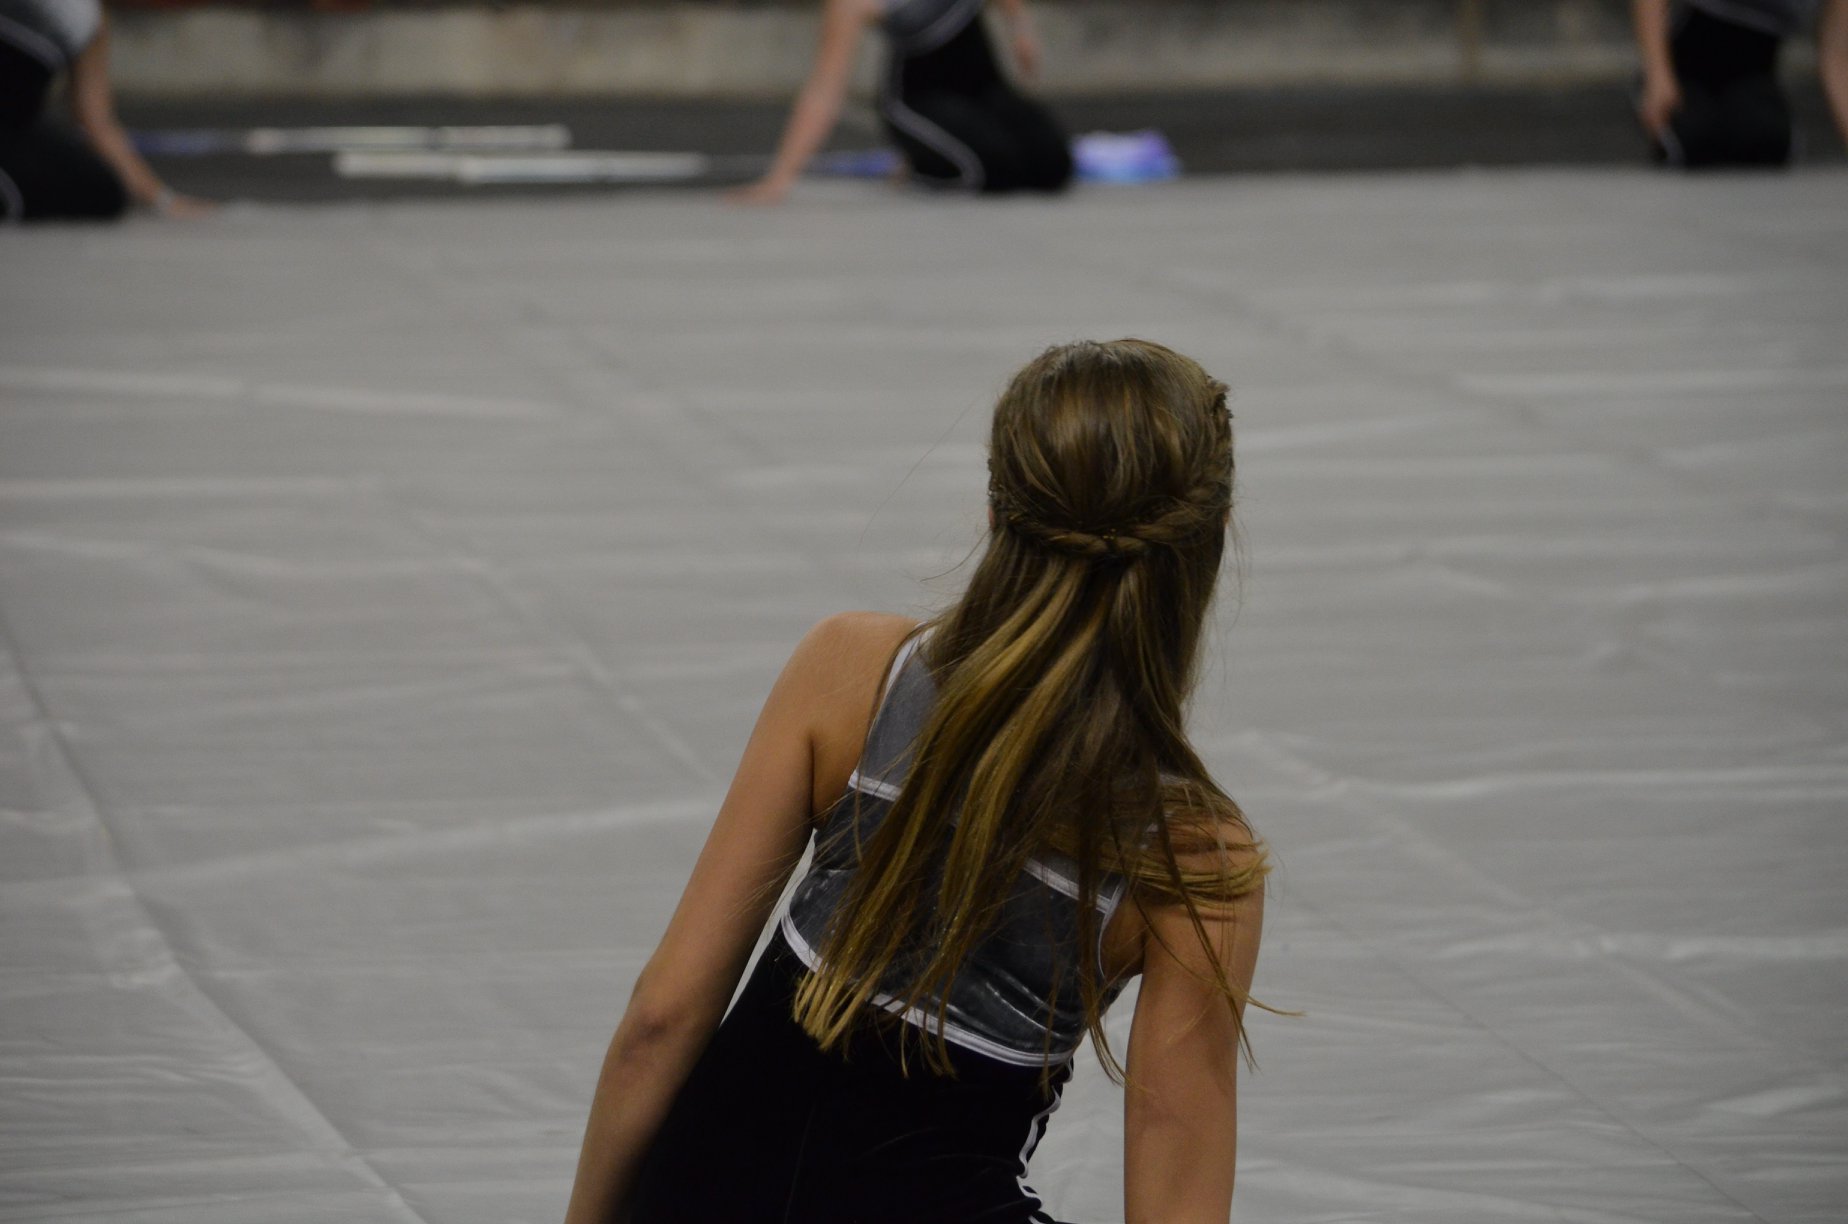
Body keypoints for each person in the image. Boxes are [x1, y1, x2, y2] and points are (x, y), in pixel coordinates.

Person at [562, 339, 1269, 1224]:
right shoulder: (1192, 858)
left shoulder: (853, 672)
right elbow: (1176, 1194)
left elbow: (661, 1019)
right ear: (1211, 543)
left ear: (994, 509)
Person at [731, 0, 1073, 203]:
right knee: (990, 172)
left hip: (984, 90)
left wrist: (1021, 30)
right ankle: (918, 166)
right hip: (922, 100)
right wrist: (779, 179)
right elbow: (825, 88)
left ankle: (927, 157)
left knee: (1053, 164)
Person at [0, 0, 210, 221]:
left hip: (12, 131)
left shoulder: (86, 16)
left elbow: (97, 121)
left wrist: (163, 199)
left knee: (101, 188)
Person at [1632, 0, 1848, 167]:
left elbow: (1835, 53)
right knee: (1691, 140)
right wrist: (1658, 75)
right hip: (1686, 68)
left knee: (1768, 140)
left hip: (1752, 74)